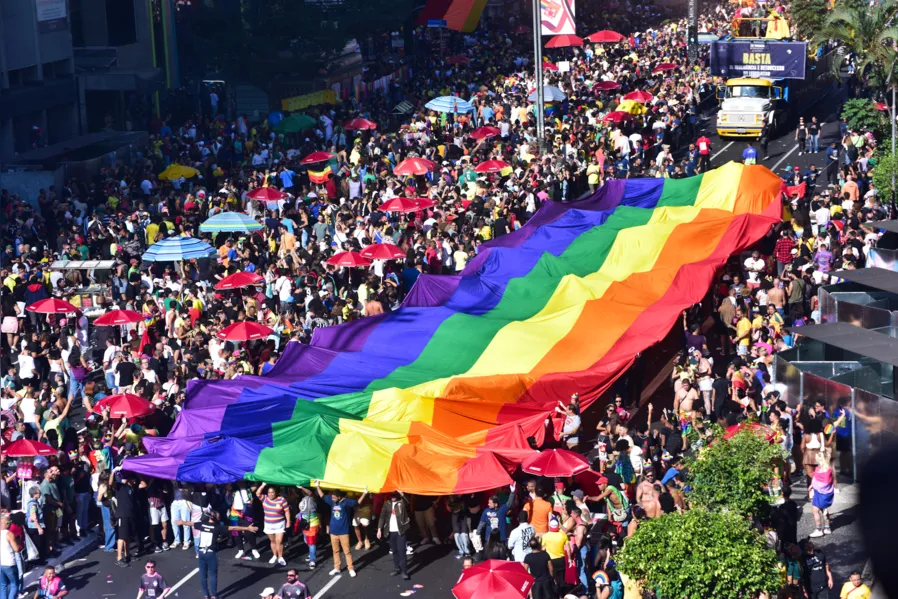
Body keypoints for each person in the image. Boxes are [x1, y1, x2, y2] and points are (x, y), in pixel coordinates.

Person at [173, 507, 258, 599]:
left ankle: (206, 595)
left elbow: (191, 523)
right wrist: (247, 528)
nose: (219, 518)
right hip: (211, 553)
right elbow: (234, 527)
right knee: (213, 575)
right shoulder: (218, 527)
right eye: (218, 517)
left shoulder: (202, 524)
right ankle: (214, 596)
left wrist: (182, 522)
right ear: (215, 518)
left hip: (201, 553)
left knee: (203, 575)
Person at [316, 480, 367, 578]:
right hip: (333, 531)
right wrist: (318, 486)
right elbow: (322, 496)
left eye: (334, 497)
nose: (332, 498)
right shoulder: (332, 501)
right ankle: (337, 567)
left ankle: (351, 568)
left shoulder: (346, 502)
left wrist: (364, 493)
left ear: (340, 497)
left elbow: (357, 503)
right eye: (332, 497)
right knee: (335, 551)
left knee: (347, 551)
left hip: (344, 532)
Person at [376, 490, 411, 580]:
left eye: (395, 495)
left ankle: (404, 571)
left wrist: (402, 493)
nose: (393, 497)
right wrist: (379, 529)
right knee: (394, 551)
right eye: (391, 495)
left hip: (400, 531)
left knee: (402, 551)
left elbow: (408, 503)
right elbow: (382, 516)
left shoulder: (402, 502)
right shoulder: (386, 503)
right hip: (390, 531)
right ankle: (397, 568)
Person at [256, 483, 290, 566]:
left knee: (279, 541)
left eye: (272, 492)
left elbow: (287, 511)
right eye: (269, 492)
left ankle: (280, 557)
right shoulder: (264, 498)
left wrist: (288, 521)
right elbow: (257, 493)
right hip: (268, 524)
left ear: (276, 493)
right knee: (273, 541)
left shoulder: (282, 500)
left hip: (279, 524)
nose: (271, 494)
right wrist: (263, 485)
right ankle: (274, 555)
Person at [0, 512, 19, 599]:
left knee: (3, 585)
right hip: (9, 563)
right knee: (14, 584)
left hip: (1, 563)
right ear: (7, 524)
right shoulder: (9, 534)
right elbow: (16, 549)